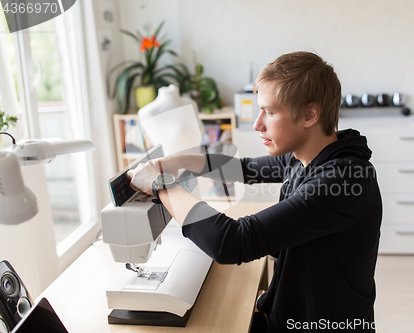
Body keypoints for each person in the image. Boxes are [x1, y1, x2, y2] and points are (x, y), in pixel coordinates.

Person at [127, 51, 382, 332]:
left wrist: (161, 185)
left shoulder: (341, 180)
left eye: (270, 112)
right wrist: (181, 161)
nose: (257, 124)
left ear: (310, 115)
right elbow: (243, 168)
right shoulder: (308, 156)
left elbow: (232, 242)